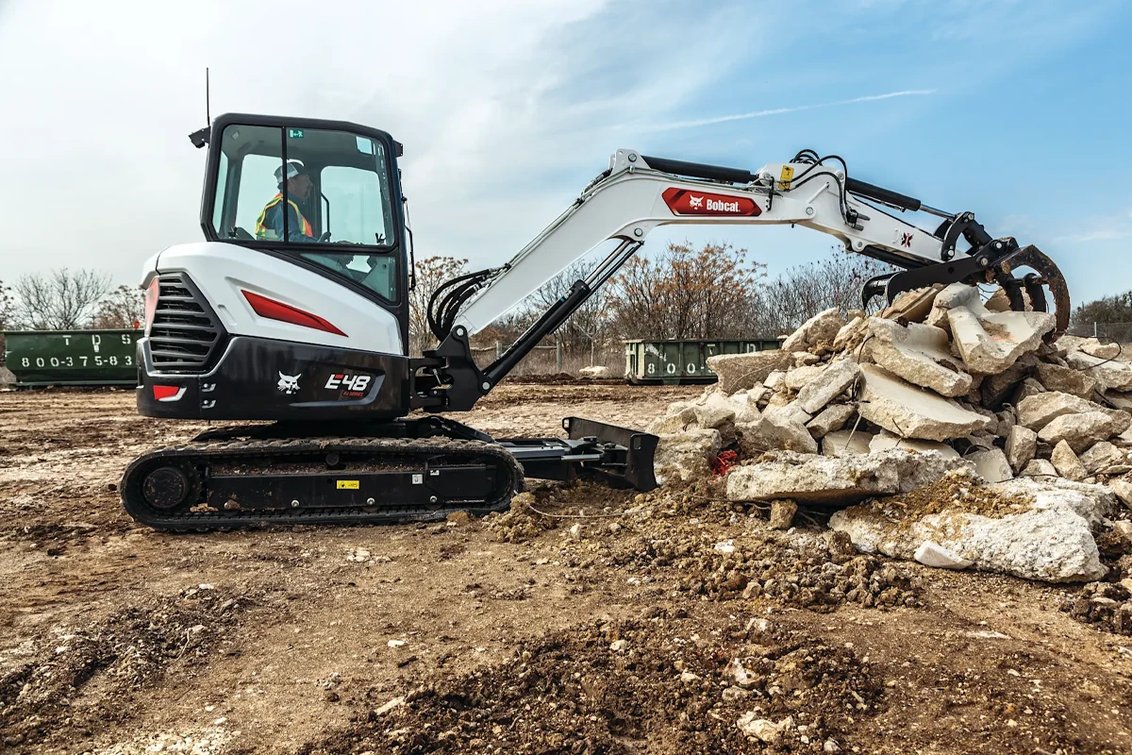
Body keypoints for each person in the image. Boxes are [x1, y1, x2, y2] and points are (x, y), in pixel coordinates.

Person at [255, 159, 317, 242]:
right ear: (292, 182)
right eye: (306, 180)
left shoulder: (293, 206)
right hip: (279, 255)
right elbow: (291, 239)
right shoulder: (283, 207)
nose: (311, 184)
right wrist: (322, 245)